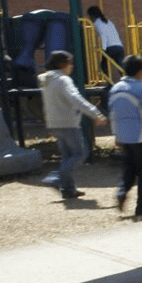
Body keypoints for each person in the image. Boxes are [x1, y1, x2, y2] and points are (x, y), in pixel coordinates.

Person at [39, 50, 106, 200]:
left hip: (54, 123)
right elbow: (76, 99)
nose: (71, 67)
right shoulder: (64, 80)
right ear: (63, 65)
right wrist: (95, 113)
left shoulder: (46, 80)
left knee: (67, 156)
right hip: (68, 122)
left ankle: (68, 189)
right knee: (80, 154)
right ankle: (56, 178)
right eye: (70, 63)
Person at [108, 55, 142, 218]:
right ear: (140, 72)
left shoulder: (115, 88)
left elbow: (112, 115)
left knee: (129, 169)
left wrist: (116, 135)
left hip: (124, 135)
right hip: (141, 136)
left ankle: (121, 192)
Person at [87, 5, 125, 81]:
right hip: (119, 46)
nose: (89, 19)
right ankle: (126, 79)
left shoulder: (97, 23)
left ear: (92, 16)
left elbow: (103, 35)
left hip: (110, 47)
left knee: (104, 65)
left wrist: (103, 48)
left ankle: (109, 82)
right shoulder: (107, 21)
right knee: (120, 64)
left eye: (89, 16)